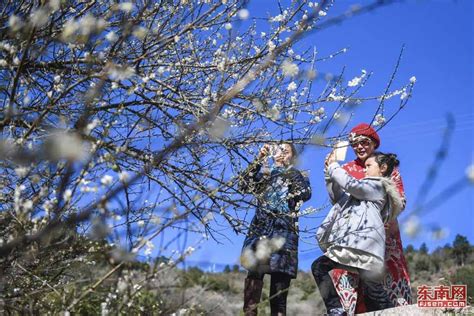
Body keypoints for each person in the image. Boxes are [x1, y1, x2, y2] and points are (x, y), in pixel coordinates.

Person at [330, 123, 412, 314]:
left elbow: (399, 200)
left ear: (374, 144)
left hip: (382, 234)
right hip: (351, 234)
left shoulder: (388, 168)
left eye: (364, 142)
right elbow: (337, 200)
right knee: (351, 281)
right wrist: (330, 173)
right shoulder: (346, 168)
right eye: (355, 144)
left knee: (381, 283)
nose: (359, 147)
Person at [313, 151, 404, 315]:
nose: (365, 169)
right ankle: (336, 309)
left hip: (365, 245)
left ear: (382, 168)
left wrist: (335, 166)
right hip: (353, 245)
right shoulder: (363, 189)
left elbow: (352, 186)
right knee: (319, 267)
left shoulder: (378, 186)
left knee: (373, 293)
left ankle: (394, 312)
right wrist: (329, 174)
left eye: (369, 166)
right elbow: (337, 196)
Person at [239, 142, 311, 316]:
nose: (281, 154)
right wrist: (258, 160)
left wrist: (287, 169)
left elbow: (304, 194)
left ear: (292, 156)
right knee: (253, 279)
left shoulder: (299, 174)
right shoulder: (265, 173)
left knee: (279, 287)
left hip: (284, 233)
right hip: (260, 231)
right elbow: (243, 185)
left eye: (286, 152)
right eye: (278, 151)